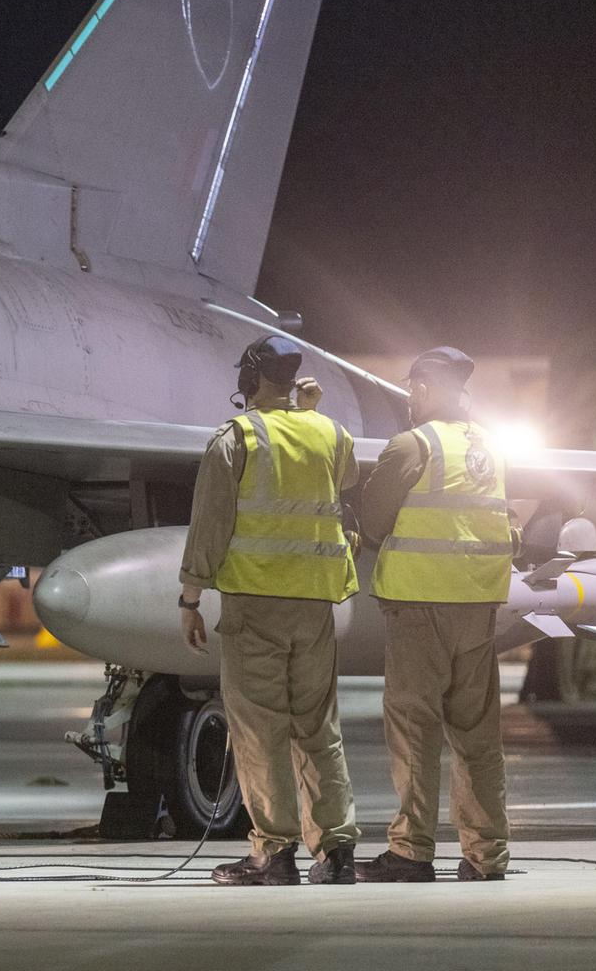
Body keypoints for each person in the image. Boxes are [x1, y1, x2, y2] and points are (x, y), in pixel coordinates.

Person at [179, 335, 363, 885]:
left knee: (260, 731)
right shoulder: (330, 431)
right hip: (314, 605)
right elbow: (345, 476)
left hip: (255, 605)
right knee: (318, 730)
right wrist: (308, 414)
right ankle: (335, 853)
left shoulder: (236, 438)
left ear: (251, 377)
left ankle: (273, 853)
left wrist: (190, 597)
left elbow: (209, 525)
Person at [355, 346, 512, 882]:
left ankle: (410, 852)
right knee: (477, 739)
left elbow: (373, 522)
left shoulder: (412, 445)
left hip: (420, 609)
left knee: (415, 731)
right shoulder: (491, 447)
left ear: (422, 389)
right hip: (478, 611)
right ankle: (486, 856)